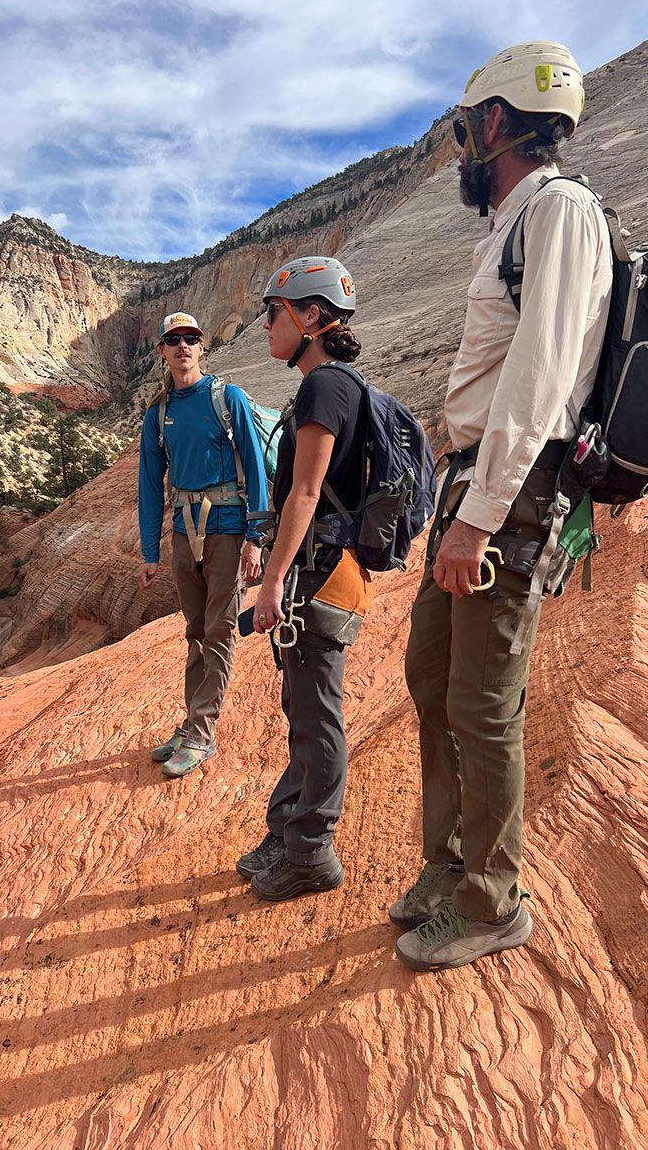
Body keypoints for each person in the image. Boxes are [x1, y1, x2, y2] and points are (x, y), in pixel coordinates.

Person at [393, 43, 613, 970]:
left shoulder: (559, 211)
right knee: (431, 675)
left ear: (494, 122)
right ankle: (451, 864)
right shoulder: (516, 222)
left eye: (461, 133)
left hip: (510, 494)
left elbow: (540, 378)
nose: (457, 155)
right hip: (479, 485)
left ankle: (492, 901)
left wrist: (479, 516)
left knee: (484, 703)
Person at [237, 256, 371, 901]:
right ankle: (288, 831)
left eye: (273, 313)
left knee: (317, 716)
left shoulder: (325, 387)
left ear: (310, 316)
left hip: (321, 575)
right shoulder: (327, 386)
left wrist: (270, 583)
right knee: (302, 709)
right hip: (319, 572)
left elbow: (307, 494)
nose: (266, 327)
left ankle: (312, 852)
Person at [138, 311, 268, 778]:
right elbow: (150, 485)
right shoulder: (157, 415)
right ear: (162, 351)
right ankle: (192, 721)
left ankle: (202, 733)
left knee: (219, 630)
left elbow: (254, 468)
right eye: (173, 340)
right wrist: (150, 552)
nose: (182, 346)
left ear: (201, 346)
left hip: (229, 531)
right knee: (195, 631)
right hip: (183, 533)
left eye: (191, 338)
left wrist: (256, 537)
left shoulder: (225, 398)